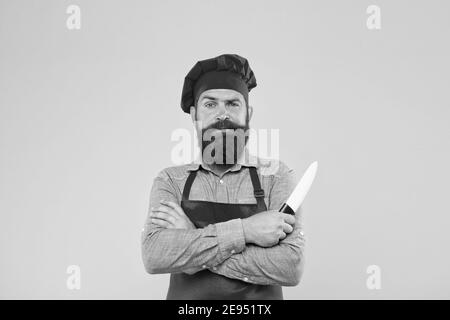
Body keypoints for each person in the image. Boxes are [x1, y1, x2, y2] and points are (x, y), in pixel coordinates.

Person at [141, 53, 305, 300]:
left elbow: (290, 266)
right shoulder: (170, 181)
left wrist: (191, 251)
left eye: (232, 104)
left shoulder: (276, 177)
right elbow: (154, 255)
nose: (222, 115)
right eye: (210, 104)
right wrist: (247, 231)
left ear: (248, 113)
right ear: (195, 115)